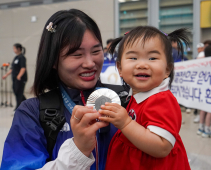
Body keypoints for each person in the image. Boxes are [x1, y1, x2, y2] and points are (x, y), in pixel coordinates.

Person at [1, 9, 129, 170]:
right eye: (76, 54)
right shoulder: (32, 113)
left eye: (96, 51)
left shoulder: (127, 99)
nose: (90, 63)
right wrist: (78, 152)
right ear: (53, 60)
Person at [98, 26, 191, 170]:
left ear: (167, 70)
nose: (142, 64)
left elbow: (162, 147)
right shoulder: (136, 96)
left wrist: (125, 123)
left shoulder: (161, 100)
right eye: (133, 58)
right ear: (120, 69)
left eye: (152, 58)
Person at [197, 45, 211, 138]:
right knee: (210, 110)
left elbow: (198, 59)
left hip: (203, 87)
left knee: (203, 108)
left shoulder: (201, 61)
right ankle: (207, 129)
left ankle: (200, 128)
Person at [2, 43, 27, 110]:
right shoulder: (16, 57)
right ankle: (26, 104)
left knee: (19, 93)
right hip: (15, 79)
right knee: (16, 92)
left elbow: (23, 68)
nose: (13, 50)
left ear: (18, 49)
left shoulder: (22, 57)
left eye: (14, 48)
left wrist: (19, 76)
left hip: (20, 79)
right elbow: (12, 68)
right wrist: (6, 75)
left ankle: (18, 108)